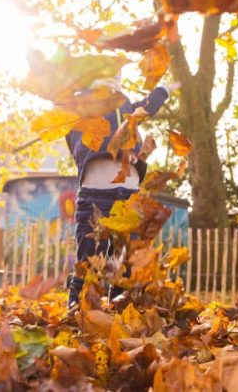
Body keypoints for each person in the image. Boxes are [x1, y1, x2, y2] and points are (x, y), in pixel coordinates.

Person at [65, 78, 173, 309]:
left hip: (128, 197)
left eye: (119, 77)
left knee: (122, 258)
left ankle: (118, 306)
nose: (115, 80)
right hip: (96, 195)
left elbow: (148, 106)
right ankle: (79, 308)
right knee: (89, 256)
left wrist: (164, 90)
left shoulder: (127, 110)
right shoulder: (82, 106)